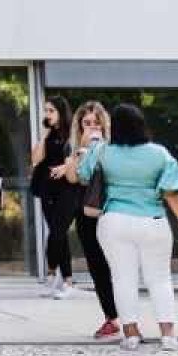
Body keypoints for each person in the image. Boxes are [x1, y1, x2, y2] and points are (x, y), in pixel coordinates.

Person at [76, 103, 178, 351]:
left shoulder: (102, 152)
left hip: (114, 221)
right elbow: (171, 192)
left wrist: (86, 144)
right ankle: (168, 335)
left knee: (122, 278)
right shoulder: (159, 154)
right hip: (152, 221)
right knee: (160, 279)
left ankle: (131, 334)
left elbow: (83, 174)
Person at [58, 101, 120, 340]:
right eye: (87, 123)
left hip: (111, 212)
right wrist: (79, 152)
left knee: (117, 264)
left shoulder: (113, 148)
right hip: (86, 213)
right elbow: (74, 179)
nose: (92, 128)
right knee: (97, 266)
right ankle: (111, 317)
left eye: (96, 123)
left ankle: (127, 317)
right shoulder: (73, 148)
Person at [31, 95, 77, 298]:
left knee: (58, 232)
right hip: (47, 188)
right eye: (46, 110)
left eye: (51, 111)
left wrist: (65, 167)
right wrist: (44, 134)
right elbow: (35, 160)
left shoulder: (72, 134)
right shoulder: (48, 136)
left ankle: (62, 277)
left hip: (67, 188)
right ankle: (61, 277)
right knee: (57, 233)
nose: (47, 114)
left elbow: (77, 157)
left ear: (61, 112)